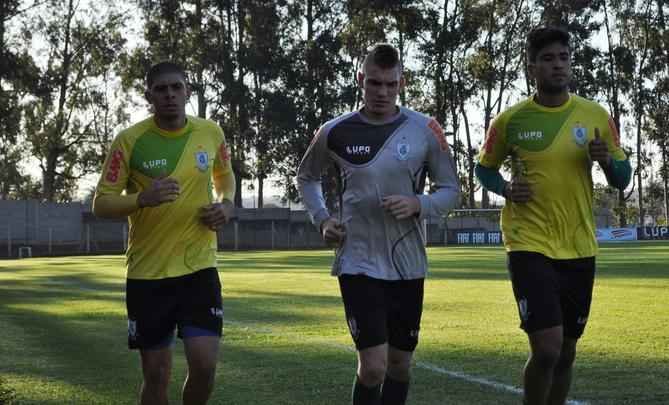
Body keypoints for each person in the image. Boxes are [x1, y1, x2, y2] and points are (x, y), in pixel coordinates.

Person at [475, 27, 632, 405]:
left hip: (578, 245)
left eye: (563, 57)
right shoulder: (510, 121)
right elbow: (485, 168)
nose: (558, 65)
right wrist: (506, 189)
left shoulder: (595, 115)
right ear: (532, 67)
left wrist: (606, 160)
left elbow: (623, 179)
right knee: (546, 348)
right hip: (529, 242)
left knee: (566, 353)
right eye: (548, 59)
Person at [297, 43, 460, 405]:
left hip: (407, 264)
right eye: (374, 83)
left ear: (402, 82)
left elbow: (451, 191)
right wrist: (323, 220)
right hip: (357, 262)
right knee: (372, 367)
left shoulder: (426, 129)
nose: (382, 92)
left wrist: (419, 203)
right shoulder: (334, 131)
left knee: (399, 366)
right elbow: (306, 176)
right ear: (360, 80)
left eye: (391, 84)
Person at [92, 62, 235, 405]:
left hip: (199, 269)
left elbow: (225, 176)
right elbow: (101, 204)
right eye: (161, 89)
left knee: (204, 367)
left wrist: (226, 205)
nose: (169, 95)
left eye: (176, 87)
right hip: (148, 275)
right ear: (149, 95)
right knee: (156, 374)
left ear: (188, 91)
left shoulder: (211, 132)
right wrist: (142, 198)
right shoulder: (129, 141)